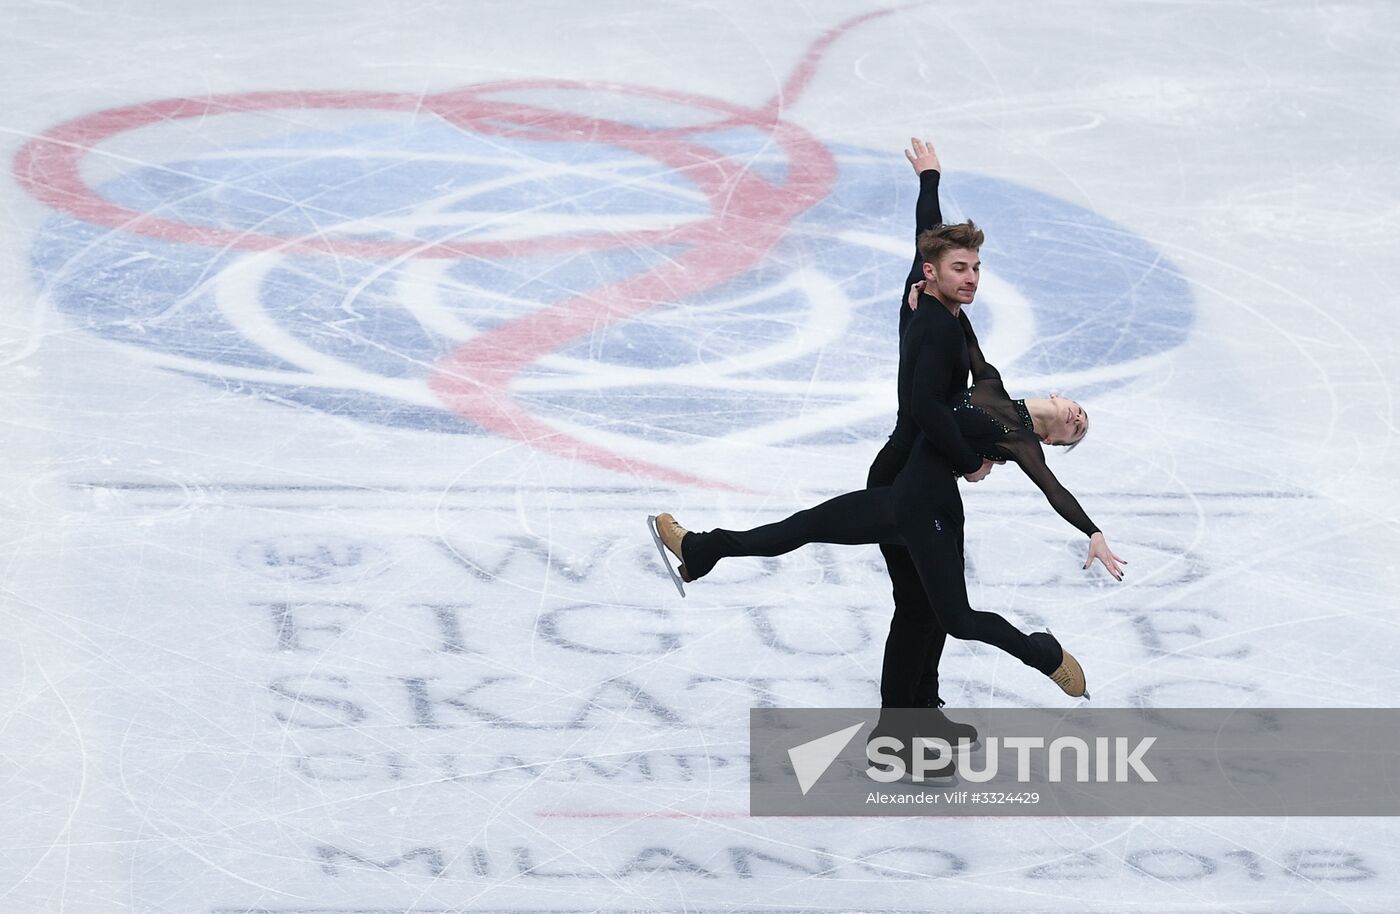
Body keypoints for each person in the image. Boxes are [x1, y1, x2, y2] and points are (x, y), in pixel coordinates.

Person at [646, 208, 1124, 701]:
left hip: (926, 504)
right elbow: (932, 259)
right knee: (893, 590)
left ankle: (1033, 660)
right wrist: (929, 182)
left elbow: (1051, 487)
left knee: (942, 615)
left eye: (1076, 432)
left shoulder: (1018, 438)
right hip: (908, 493)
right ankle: (704, 550)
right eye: (1079, 412)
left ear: (1052, 442)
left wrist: (1092, 531)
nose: (1076, 419)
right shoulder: (980, 367)